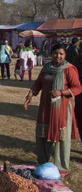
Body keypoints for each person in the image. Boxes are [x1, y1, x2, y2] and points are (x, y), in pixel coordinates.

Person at [24, 43, 82, 173]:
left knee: (60, 137)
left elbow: (78, 87)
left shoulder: (69, 69)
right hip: (45, 107)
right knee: (43, 133)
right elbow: (38, 83)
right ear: (51, 54)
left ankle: (61, 168)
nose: (58, 56)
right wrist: (31, 93)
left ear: (65, 55)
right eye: (56, 53)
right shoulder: (46, 67)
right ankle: (44, 163)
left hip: (61, 108)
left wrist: (61, 92)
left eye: (61, 54)